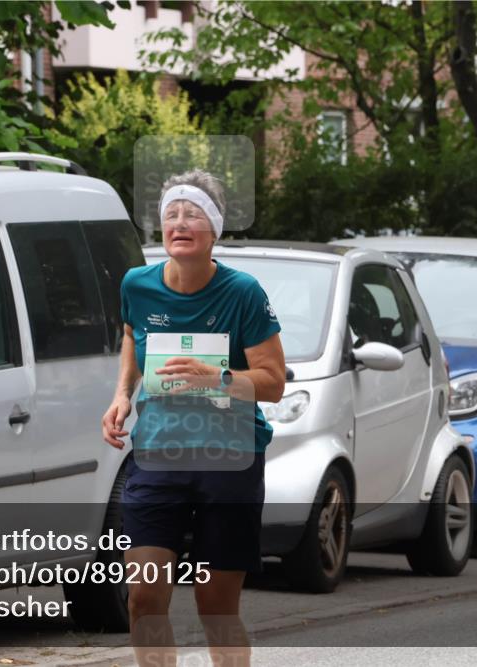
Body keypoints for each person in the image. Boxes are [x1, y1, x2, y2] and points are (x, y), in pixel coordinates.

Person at [101, 169, 286, 667]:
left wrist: (217, 378)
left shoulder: (243, 292)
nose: (180, 222)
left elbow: (274, 381)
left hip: (229, 458)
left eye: (194, 213)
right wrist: (123, 394)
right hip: (159, 455)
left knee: (217, 607)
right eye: (171, 214)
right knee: (143, 598)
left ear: (216, 229)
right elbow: (130, 337)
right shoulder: (137, 284)